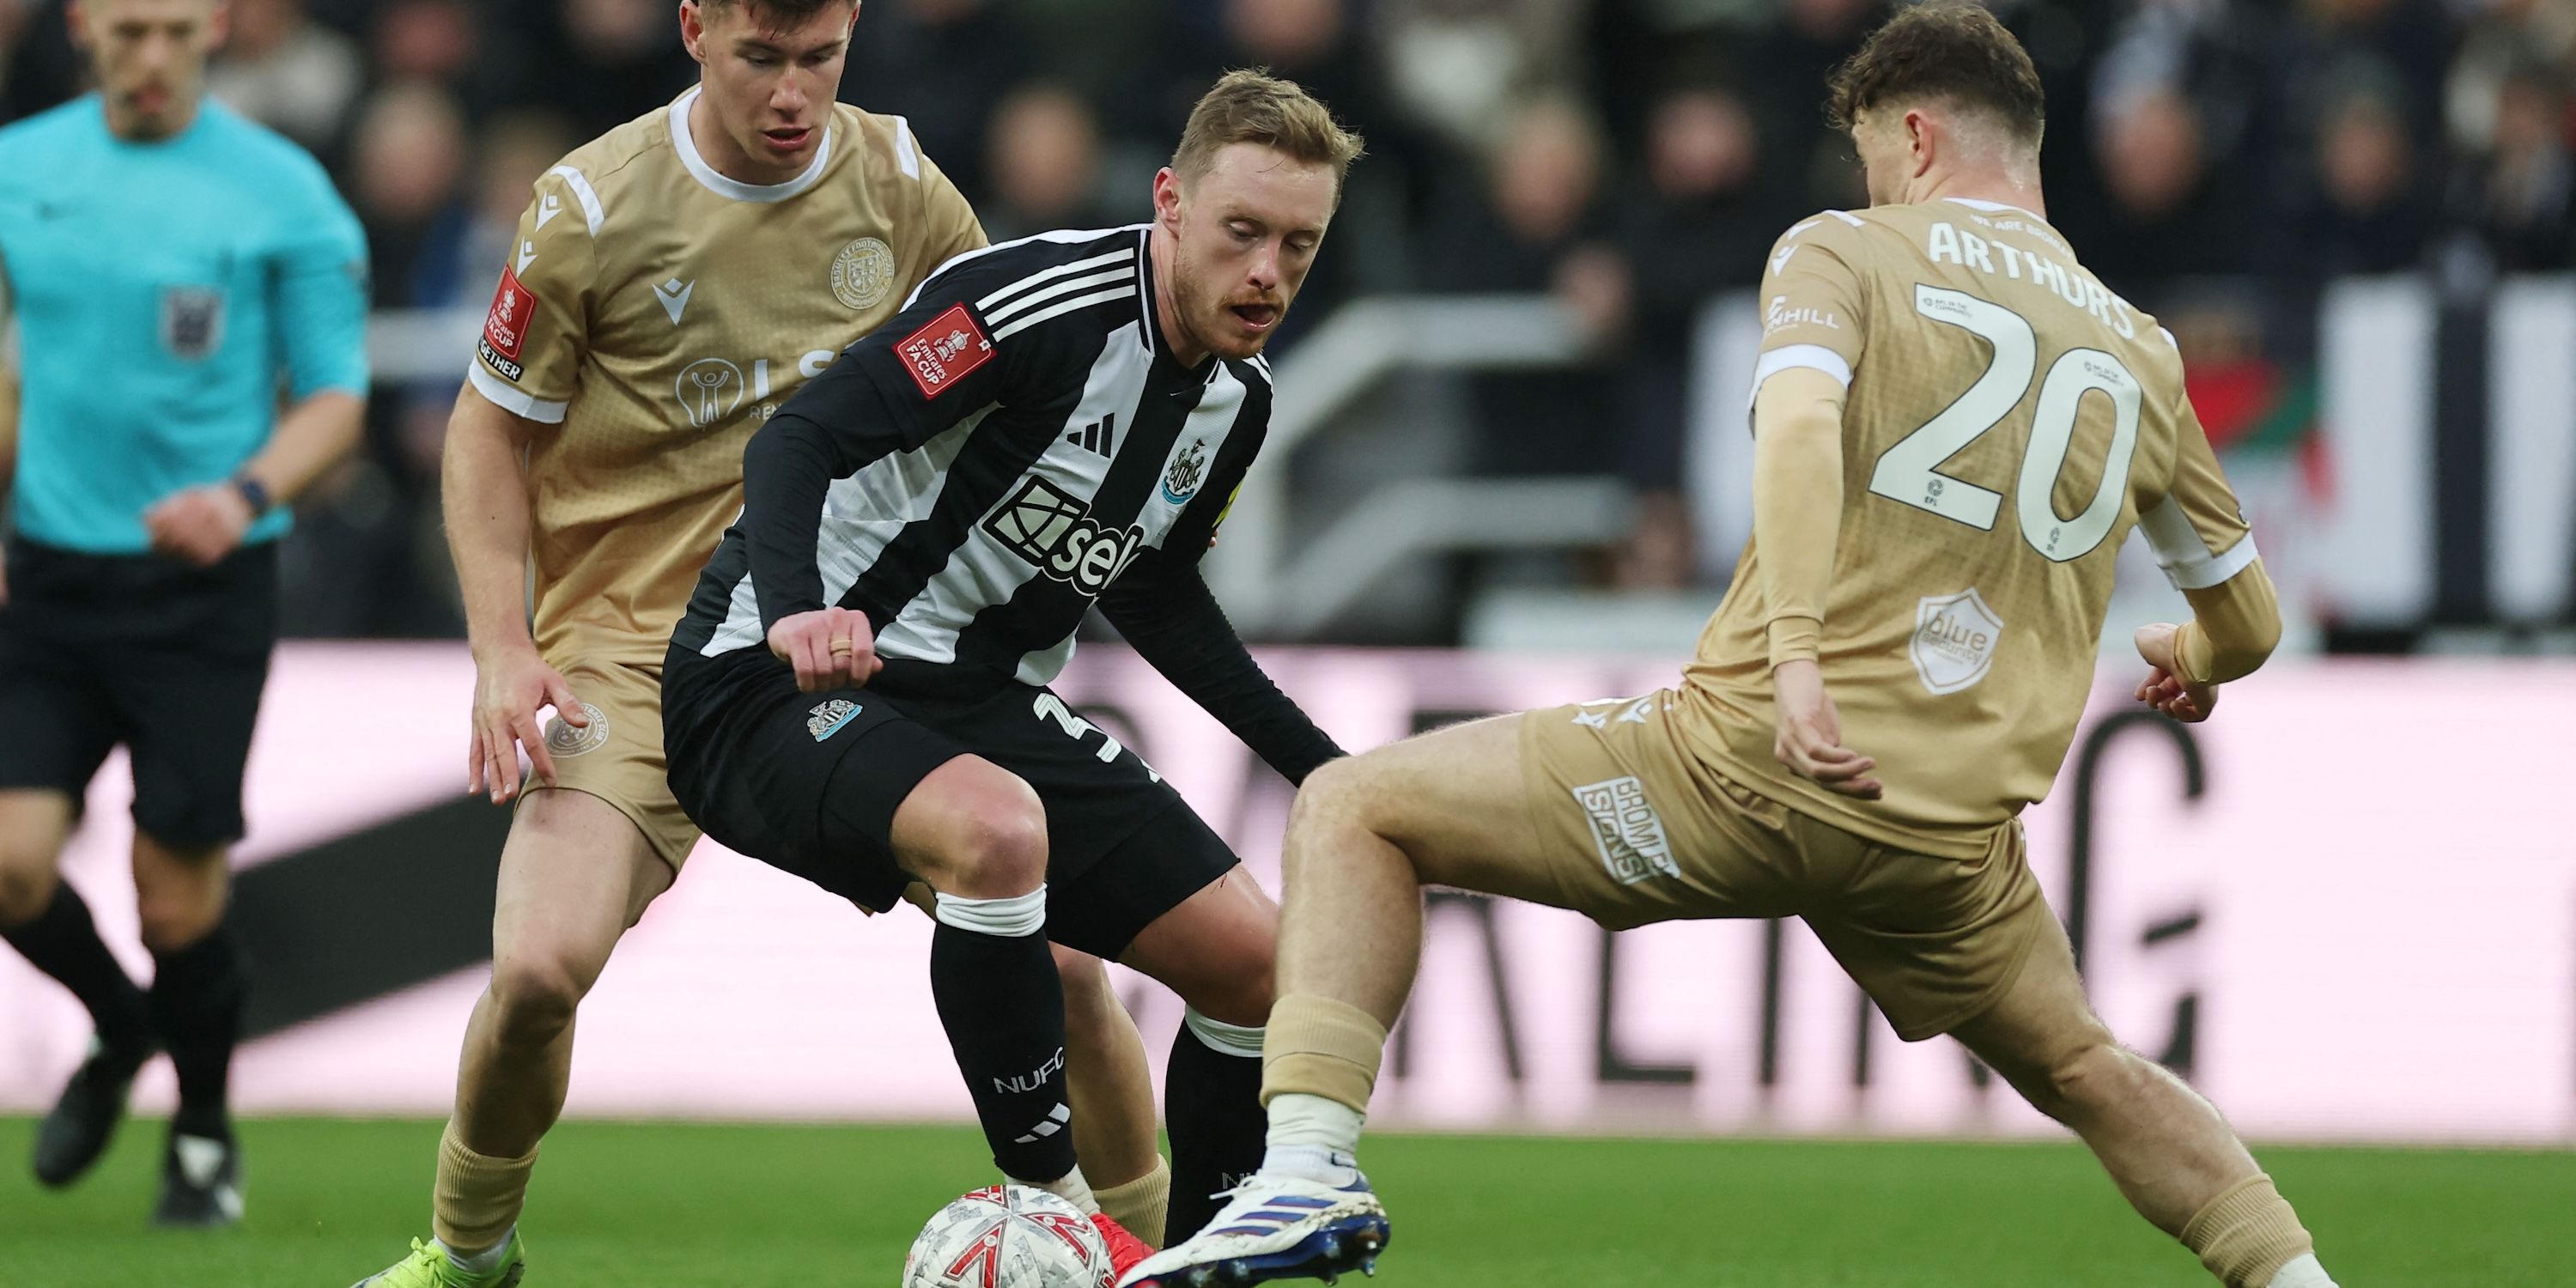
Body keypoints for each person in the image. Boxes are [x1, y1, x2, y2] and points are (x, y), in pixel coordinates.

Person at [1129, 8, 2337, 1288]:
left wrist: (1805, 657)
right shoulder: (2141, 349)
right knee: (2089, 1067)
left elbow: (1802, 430)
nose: (1868, 182)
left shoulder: (1846, 251)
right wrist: (2190, 656)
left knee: (1352, 808)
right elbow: (2251, 620)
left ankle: (1305, 1171)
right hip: (1947, 848)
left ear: (1916, 137)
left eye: (1873, 155)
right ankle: (2296, 1277)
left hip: (1752, 763)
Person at [354, 3, 1169, 1285]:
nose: (795, 94)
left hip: (848, 645)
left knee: (1066, 960)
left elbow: (1001, 388)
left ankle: (1151, 1262)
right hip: (633, 649)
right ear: (693, 29)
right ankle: (467, 1259)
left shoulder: (902, 188)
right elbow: (487, 428)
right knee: (535, 973)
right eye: (761, 58)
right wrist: (502, 648)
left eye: (821, 58)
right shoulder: (592, 207)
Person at [659, 67, 1364, 1267]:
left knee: (1261, 969)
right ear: (1171, 204)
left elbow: (1151, 589)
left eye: (1299, 246)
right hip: (778, 684)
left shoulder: (1234, 405)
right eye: (1244, 232)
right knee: (999, 833)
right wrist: (793, 614)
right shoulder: (1039, 304)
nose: (1268, 273)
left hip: (982, 703)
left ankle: (1187, 1262)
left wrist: (1332, 774)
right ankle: (1044, 1217)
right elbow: (801, 438)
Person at [0, 0, 368, 1228]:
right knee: (7, 866)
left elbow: (334, 399)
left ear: (215, 27)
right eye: (124, 31)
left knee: (176, 901)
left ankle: (202, 1130)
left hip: (204, 589)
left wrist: (245, 491)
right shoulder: (21, 169)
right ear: (83, 26)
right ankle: (123, 1028)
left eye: (171, 30)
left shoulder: (282, 191)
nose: (147, 57)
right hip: (51, 579)